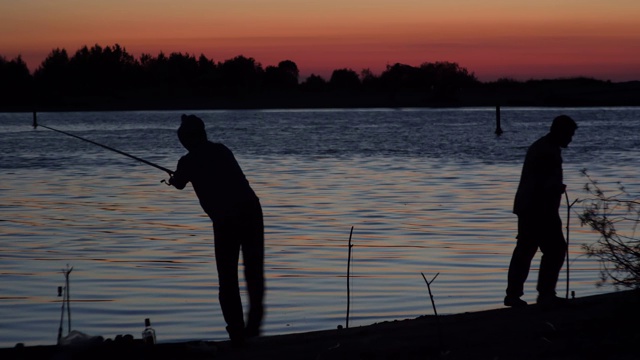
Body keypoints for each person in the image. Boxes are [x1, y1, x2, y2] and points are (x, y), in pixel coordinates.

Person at [168, 114, 265, 345]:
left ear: (189, 138)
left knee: (227, 279)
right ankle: (251, 328)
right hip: (251, 211)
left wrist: (172, 179)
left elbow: (180, 183)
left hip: (226, 221)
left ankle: (237, 332)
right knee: (253, 272)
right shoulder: (222, 150)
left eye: (183, 139)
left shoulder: (188, 161)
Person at [504, 115, 578, 308]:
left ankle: (516, 294)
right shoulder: (547, 151)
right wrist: (555, 190)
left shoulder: (546, 147)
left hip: (531, 207)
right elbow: (542, 184)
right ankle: (544, 294)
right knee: (553, 250)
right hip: (539, 209)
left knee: (527, 250)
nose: (570, 139)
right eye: (569, 134)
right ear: (559, 131)